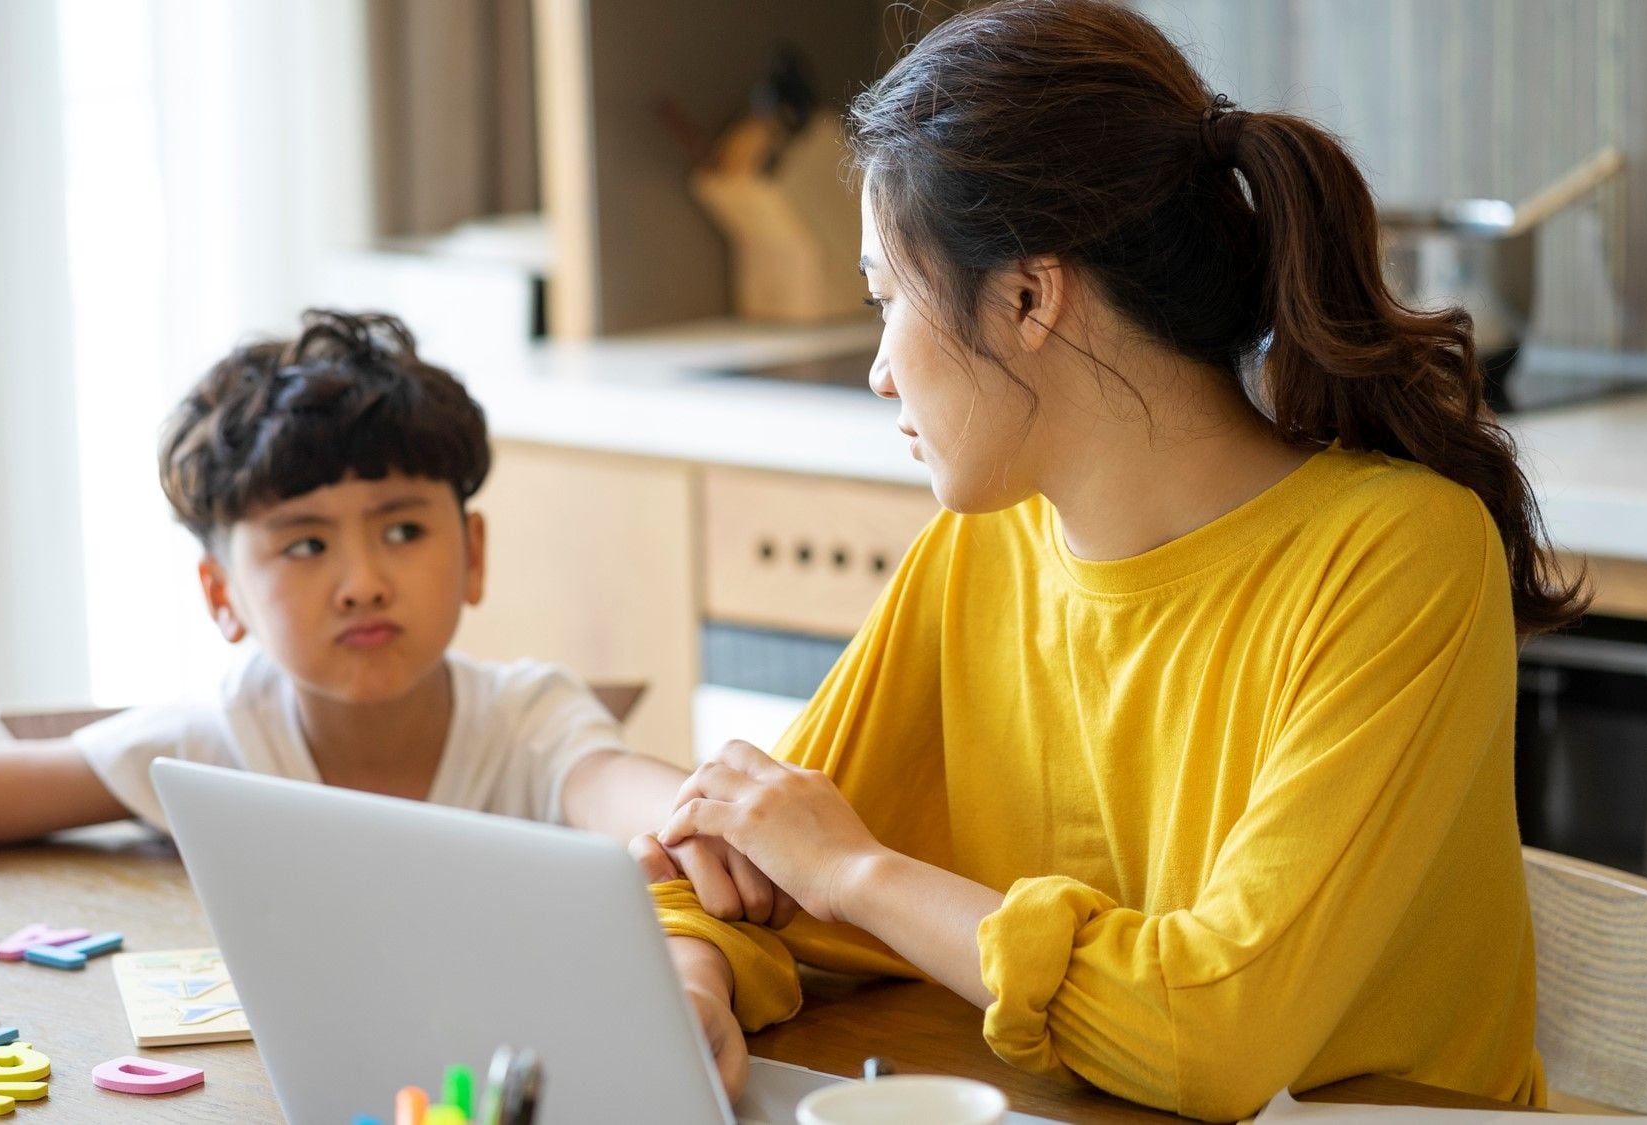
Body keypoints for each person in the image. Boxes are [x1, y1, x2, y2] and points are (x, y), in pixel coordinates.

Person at [633, 2, 1584, 1119]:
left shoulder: (1398, 558)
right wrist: (695, 977)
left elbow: (1212, 1037)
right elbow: (741, 871)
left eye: (888, 300)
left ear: (1029, 297)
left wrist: (857, 874)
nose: (880, 370)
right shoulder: (984, 546)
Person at [0, 310, 727, 954]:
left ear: (473, 553)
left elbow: (649, 802)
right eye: (306, 544)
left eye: (404, 530)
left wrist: (706, 823)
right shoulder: (211, 742)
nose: (363, 583)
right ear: (222, 593)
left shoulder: (530, 720)